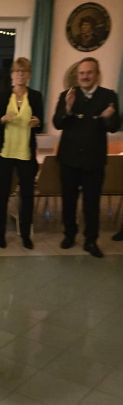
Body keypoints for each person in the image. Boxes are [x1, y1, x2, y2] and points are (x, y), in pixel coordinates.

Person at [53, 57, 120, 257]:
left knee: (92, 203)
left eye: (89, 72)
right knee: (68, 201)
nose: (85, 76)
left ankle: (91, 240)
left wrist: (108, 117)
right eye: (82, 73)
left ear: (97, 74)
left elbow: (115, 126)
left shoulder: (108, 96)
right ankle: (69, 235)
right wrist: (67, 108)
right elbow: (57, 123)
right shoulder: (67, 95)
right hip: (69, 159)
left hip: (94, 161)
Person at [0, 57, 44, 249]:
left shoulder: (35, 96)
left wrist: (37, 123)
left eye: (24, 71)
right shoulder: (2, 96)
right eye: (17, 71)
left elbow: (40, 124)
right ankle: (0, 235)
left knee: (27, 196)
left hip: (25, 153)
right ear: (12, 74)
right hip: (5, 152)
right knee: (3, 194)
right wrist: (3, 119)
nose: (20, 74)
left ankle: (26, 235)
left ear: (29, 75)